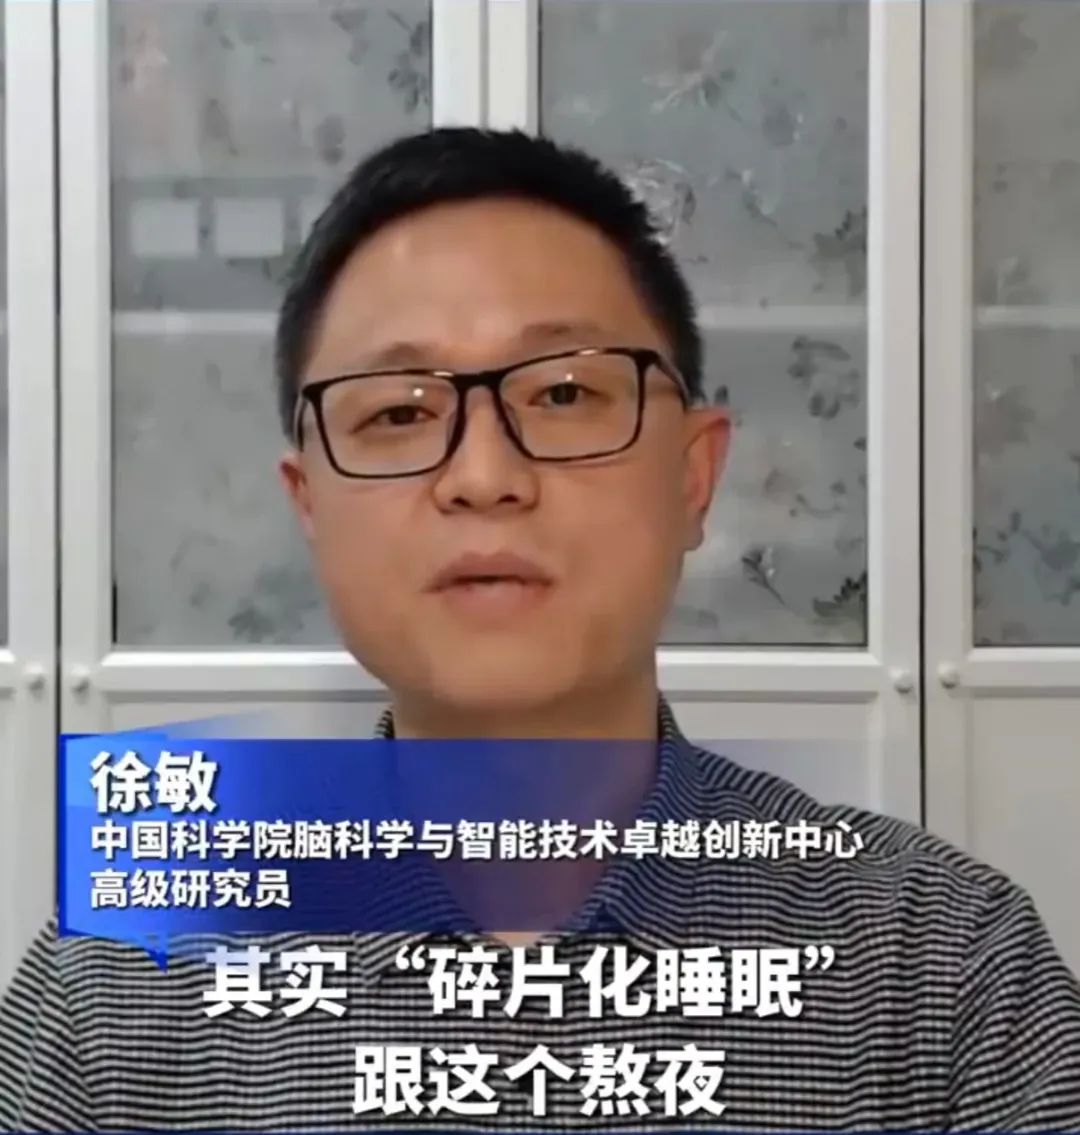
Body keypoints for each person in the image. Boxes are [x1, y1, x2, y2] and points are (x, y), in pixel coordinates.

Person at [2, 127, 1079, 1132]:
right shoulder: (116, 985)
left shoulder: (941, 972)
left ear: (694, 475)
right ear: (310, 503)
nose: (483, 475)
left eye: (563, 394)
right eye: (398, 411)